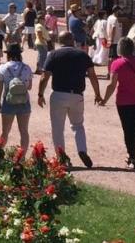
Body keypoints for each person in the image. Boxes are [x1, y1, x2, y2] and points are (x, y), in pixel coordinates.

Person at [37, 31, 103, 168]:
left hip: (58, 94)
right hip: (77, 95)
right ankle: (82, 150)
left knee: (57, 128)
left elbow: (44, 77)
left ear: (59, 41)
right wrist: (97, 94)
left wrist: (40, 94)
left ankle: (61, 157)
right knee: (78, 125)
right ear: (72, 40)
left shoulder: (53, 54)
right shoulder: (82, 55)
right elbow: (92, 76)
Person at [100, 37, 135, 170]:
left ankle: (132, 157)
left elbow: (112, 85)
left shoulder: (117, 63)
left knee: (128, 129)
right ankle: (132, 155)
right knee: (134, 128)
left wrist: (104, 100)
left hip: (124, 101)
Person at [0, 43, 33, 153]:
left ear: (8, 55)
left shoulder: (3, 68)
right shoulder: (26, 68)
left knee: (5, 131)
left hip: (8, 101)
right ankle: (22, 156)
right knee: (24, 131)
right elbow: (29, 87)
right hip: (24, 101)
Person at [105, 6, 123, 74]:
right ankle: (111, 72)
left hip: (113, 40)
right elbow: (113, 29)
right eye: (119, 11)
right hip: (114, 41)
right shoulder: (114, 19)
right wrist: (111, 39)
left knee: (112, 57)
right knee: (112, 58)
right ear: (116, 11)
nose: (120, 12)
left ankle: (110, 72)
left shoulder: (110, 17)